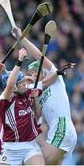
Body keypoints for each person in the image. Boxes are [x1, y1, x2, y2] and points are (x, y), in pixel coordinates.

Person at [11, 27, 77, 165]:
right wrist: (32, 97)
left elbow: (39, 56)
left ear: (43, 72)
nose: (33, 74)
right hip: (53, 132)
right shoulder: (36, 93)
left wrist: (21, 38)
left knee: (41, 162)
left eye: (36, 71)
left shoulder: (55, 78)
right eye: (31, 73)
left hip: (62, 126)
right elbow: (37, 117)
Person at [0, 48, 45, 165]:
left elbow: (38, 115)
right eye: (22, 83)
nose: (25, 84)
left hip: (30, 145)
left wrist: (36, 98)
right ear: (14, 88)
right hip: (11, 149)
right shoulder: (4, 101)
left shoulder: (26, 94)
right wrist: (19, 60)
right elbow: (10, 85)